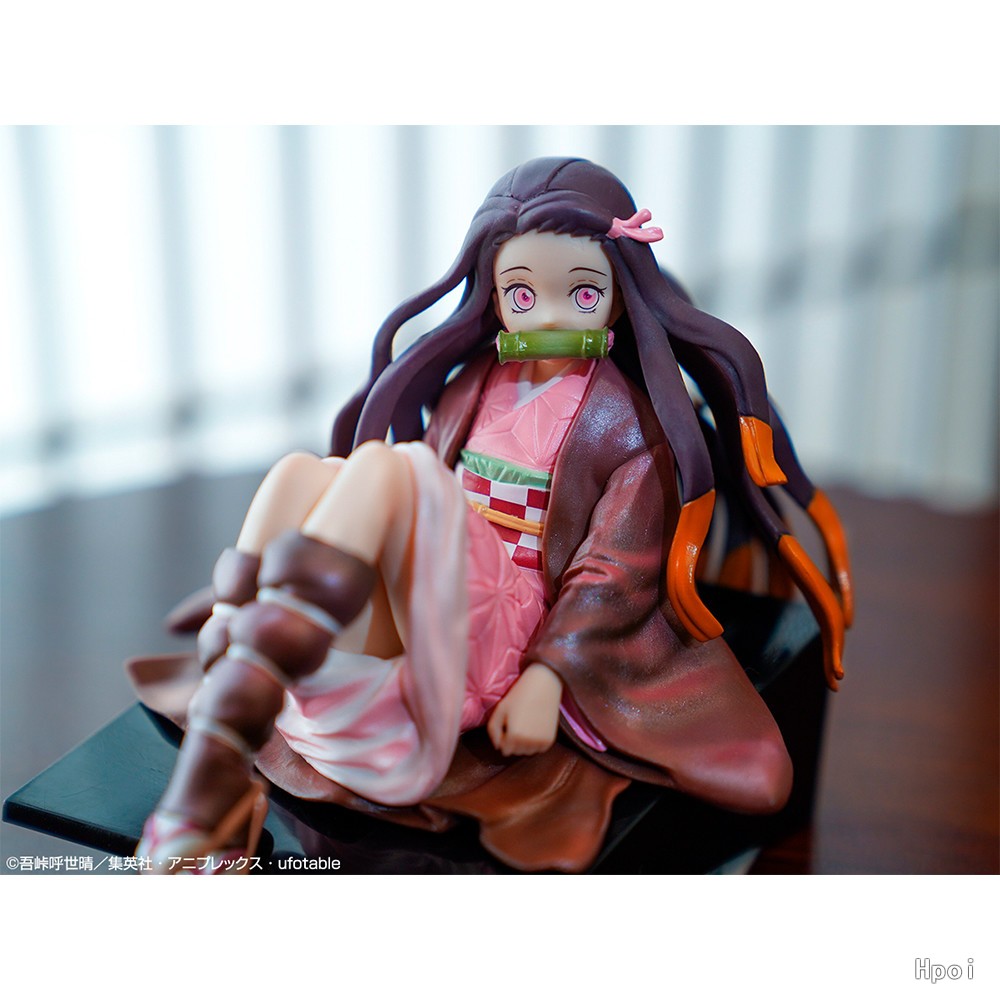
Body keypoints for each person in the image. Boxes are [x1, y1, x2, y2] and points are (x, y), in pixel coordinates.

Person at [135, 157, 852, 872]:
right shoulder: (474, 384)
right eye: (522, 293)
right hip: (431, 604)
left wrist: (547, 678)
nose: (547, 314)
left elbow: (612, 573)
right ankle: (238, 650)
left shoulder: (628, 427)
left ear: (617, 299)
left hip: (504, 637)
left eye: (580, 294)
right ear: (496, 298)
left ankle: (223, 725)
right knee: (302, 471)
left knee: (386, 468)